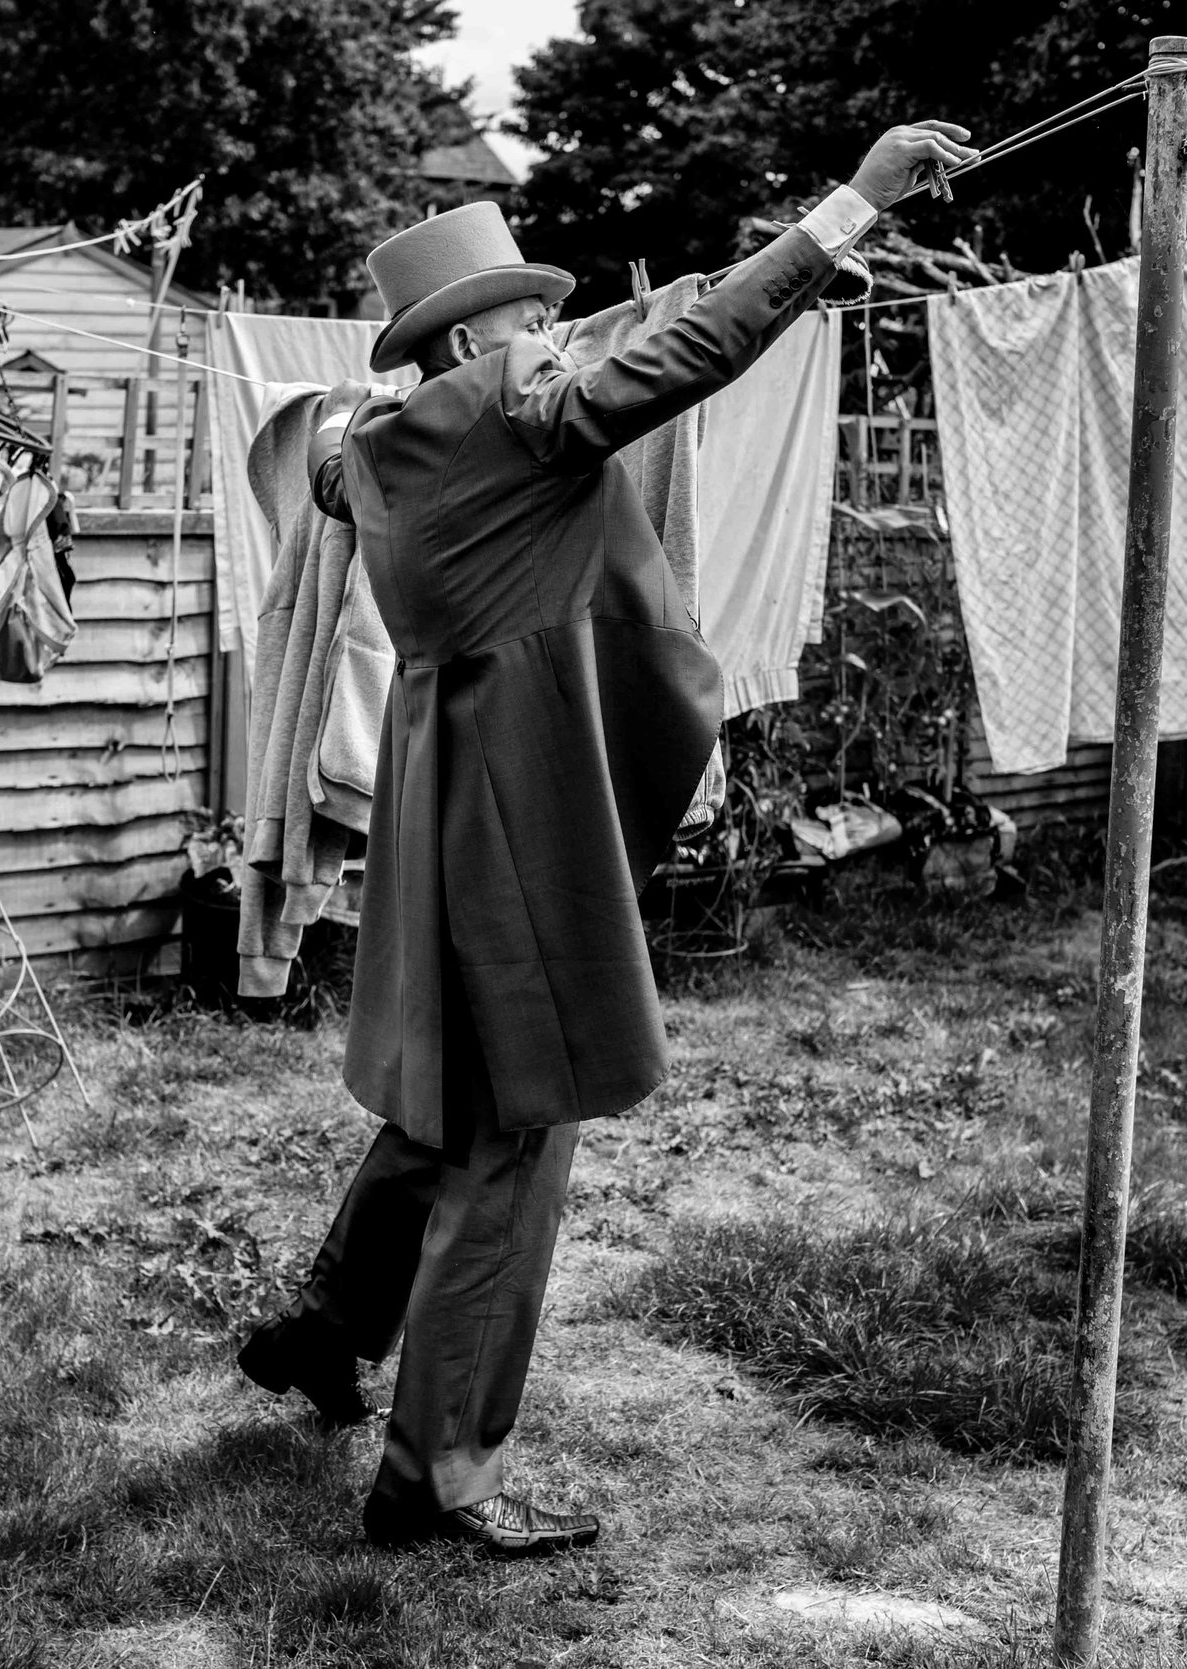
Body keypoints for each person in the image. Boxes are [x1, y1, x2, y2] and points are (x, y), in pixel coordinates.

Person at [238, 120, 979, 1553]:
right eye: (532, 320)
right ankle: (432, 1480)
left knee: (442, 1097)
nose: (554, 338)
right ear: (488, 338)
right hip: (517, 802)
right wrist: (850, 210)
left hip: (438, 786)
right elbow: (689, 352)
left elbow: (319, 439)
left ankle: (330, 1327)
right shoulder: (514, 403)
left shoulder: (370, 444)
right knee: (518, 1127)